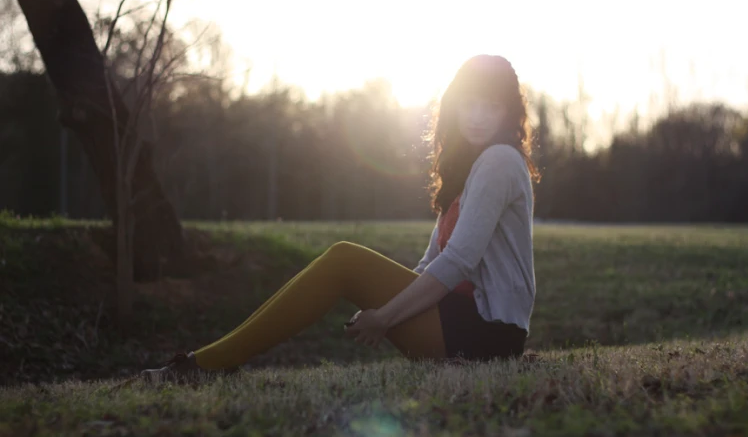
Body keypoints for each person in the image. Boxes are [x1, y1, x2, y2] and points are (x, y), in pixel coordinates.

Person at [140, 54, 540, 382]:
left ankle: (205, 366)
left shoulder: (500, 160)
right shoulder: (468, 170)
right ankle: (208, 363)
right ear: (455, 105)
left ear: (507, 113)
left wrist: (384, 315)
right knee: (342, 263)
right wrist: (380, 299)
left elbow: (459, 261)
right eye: (471, 103)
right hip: (459, 322)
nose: (478, 116)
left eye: (492, 106)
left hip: (488, 334)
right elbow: (430, 263)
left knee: (344, 260)